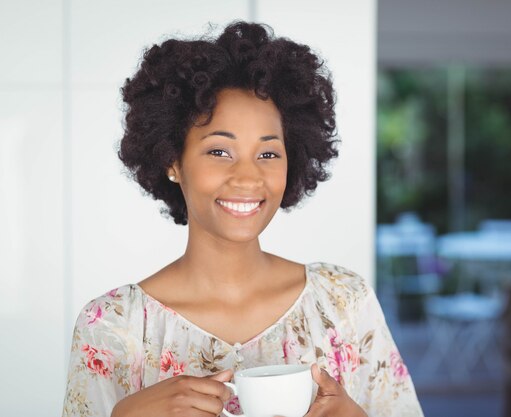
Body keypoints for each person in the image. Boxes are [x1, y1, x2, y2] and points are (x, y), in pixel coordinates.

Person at [61, 21, 423, 417]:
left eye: (268, 154)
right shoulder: (113, 327)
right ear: (172, 162)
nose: (248, 177)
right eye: (220, 151)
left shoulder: (343, 303)